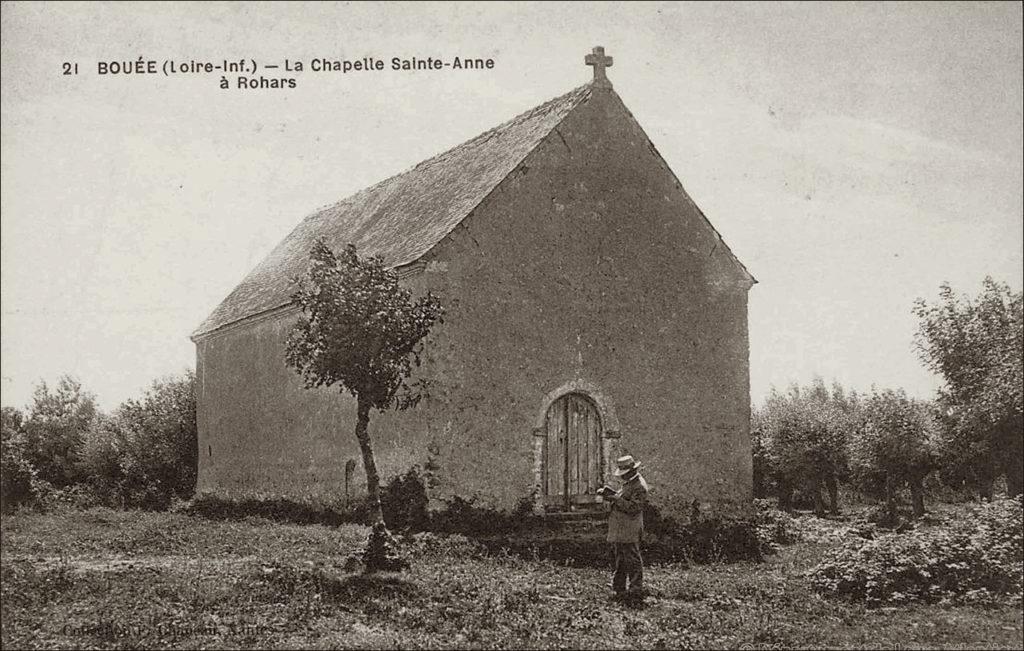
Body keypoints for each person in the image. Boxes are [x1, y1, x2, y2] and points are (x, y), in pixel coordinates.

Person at [599, 454, 649, 596]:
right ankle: (618, 586)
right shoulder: (629, 483)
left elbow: (634, 507)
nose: (623, 477)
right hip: (622, 528)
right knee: (620, 558)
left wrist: (614, 498)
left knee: (632, 559)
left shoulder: (639, 486)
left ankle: (635, 589)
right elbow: (624, 498)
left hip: (630, 528)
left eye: (625, 474)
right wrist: (611, 494)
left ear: (632, 471)